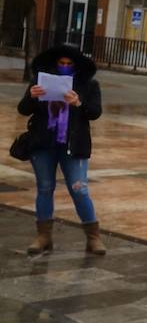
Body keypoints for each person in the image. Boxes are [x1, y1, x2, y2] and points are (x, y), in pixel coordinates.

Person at [20, 44, 103, 256]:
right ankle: (43, 236)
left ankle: (93, 237)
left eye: (69, 63)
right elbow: (23, 109)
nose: (65, 66)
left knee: (79, 189)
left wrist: (78, 103)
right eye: (61, 63)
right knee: (45, 188)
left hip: (73, 146)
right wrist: (32, 96)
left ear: (75, 65)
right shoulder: (42, 80)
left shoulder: (89, 85)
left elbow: (94, 112)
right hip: (43, 143)